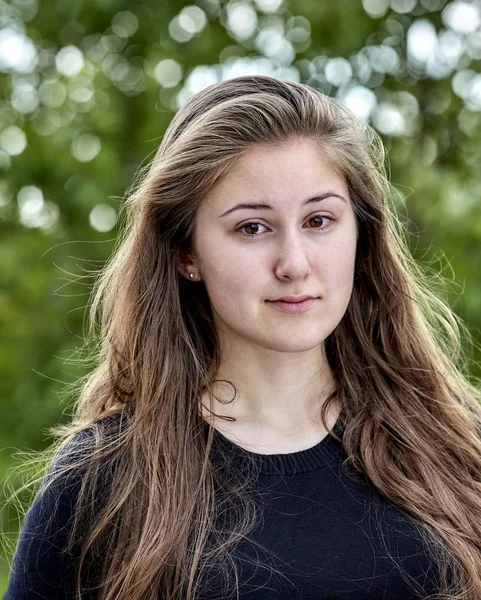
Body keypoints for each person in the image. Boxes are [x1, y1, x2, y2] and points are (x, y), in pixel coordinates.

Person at [4, 75, 481, 600]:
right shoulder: (102, 484)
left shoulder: (459, 447)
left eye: (320, 220)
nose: (294, 264)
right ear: (186, 254)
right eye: (253, 228)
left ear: (361, 234)